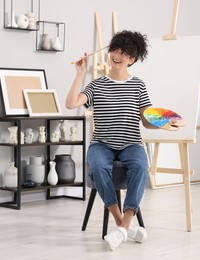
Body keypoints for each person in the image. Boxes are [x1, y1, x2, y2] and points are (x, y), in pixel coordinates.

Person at [66, 30, 152, 251]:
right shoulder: (96, 85)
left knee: (142, 166)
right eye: (115, 49)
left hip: (131, 143)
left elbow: (147, 121)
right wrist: (80, 74)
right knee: (97, 165)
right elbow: (71, 103)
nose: (117, 55)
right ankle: (123, 225)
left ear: (132, 59)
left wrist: (162, 122)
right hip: (101, 144)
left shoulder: (138, 85)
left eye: (124, 53)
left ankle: (124, 227)